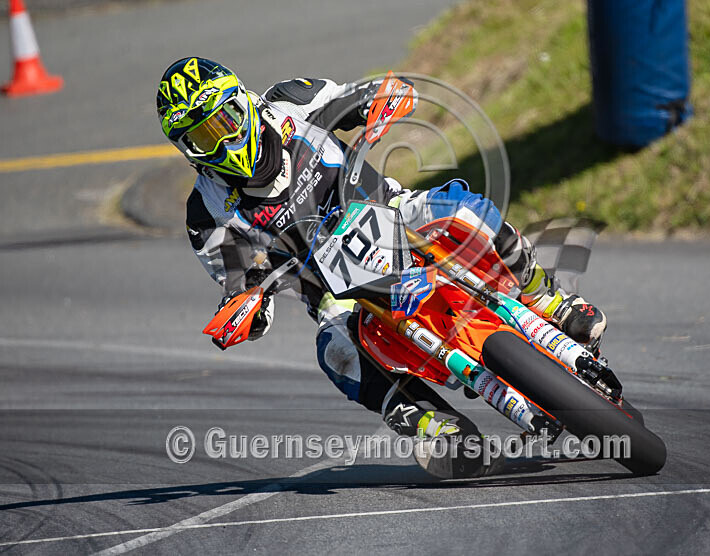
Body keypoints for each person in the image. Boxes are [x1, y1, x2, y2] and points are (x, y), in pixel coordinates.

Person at [156, 57, 607, 477]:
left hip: (393, 213)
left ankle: (548, 299)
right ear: (186, 149)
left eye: (225, 120)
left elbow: (358, 97)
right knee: (335, 349)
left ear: (244, 101)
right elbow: (240, 284)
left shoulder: (291, 101)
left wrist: (383, 96)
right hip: (333, 289)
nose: (223, 140)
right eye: (202, 137)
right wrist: (246, 310)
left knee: (464, 210)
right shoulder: (207, 213)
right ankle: (438, 428)